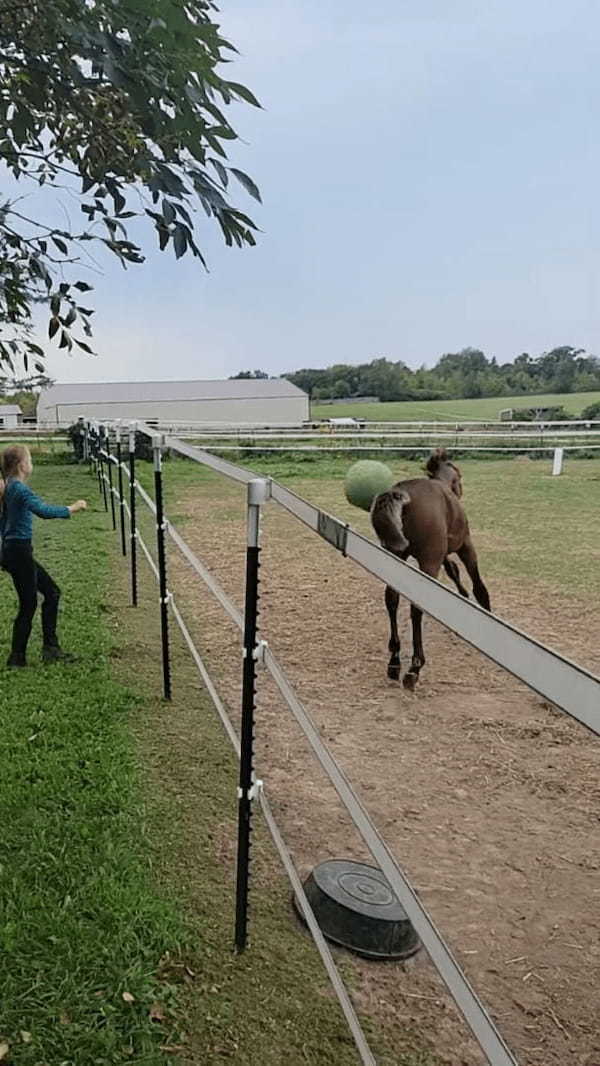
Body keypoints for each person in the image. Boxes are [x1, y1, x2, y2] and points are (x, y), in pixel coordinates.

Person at [0, 445, 87, 668]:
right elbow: (43, 511)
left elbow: (4, 521)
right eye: (29, 460)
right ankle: (18, 658)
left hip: (14, 551)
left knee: (51, 593)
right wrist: (73, 508)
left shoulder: (9, 486)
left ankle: (48, 649)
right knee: (29, 604)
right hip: (18, 552)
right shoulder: (19, 489)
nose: (31, 463)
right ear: (22, 465)